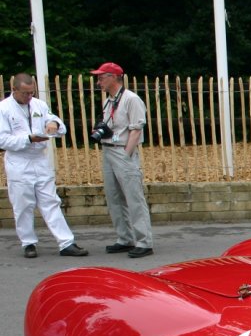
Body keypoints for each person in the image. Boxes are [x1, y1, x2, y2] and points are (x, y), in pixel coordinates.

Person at [0, 73, 88, 258]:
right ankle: (28, 242)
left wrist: (53, 123)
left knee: (51, 201)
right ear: (14, 90)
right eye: (25, 93)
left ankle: (66, 243)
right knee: (23, 204)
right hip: (19, 161)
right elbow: (3, 140)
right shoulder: (3, 109)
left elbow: (54, 120)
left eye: (32, 92)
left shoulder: (38, 104)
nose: (29, 96)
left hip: (40, 159)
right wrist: (28, 139)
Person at [90, 62, 153, 258]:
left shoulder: (131, 99)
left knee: (133, 197)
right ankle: (124, 238)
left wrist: (126, 153)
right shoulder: (108, 100)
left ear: (114, 77)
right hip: (108, 149)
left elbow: (136, 129)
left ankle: (144, 241)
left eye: (102, 76)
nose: (98, 80)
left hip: (122, 151)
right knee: (114, 197)